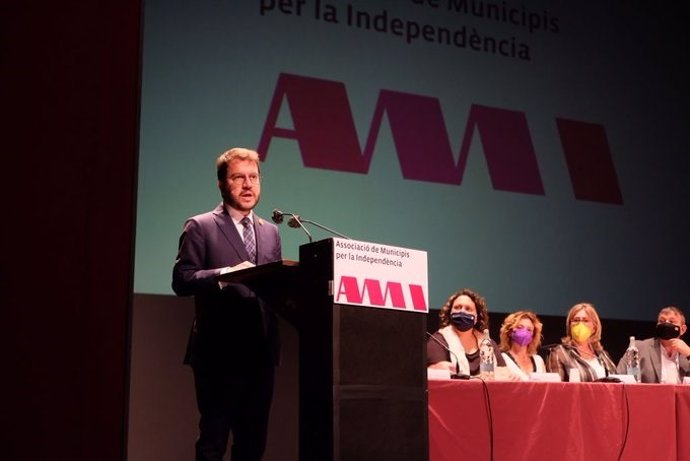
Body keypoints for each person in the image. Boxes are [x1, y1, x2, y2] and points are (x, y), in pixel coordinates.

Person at [172, 147, 282, 461]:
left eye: (253, 177)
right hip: (218, 353)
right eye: (238, 178)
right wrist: (223, 275)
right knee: (213, 443)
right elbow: (182, 279)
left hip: (261, 353)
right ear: (222, 183)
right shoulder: (200, 226)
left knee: (252, 446)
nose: (248, 185)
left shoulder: (271, 232)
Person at [427, 288, 506, 377]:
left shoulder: (488, 343)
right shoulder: (438, 340)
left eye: (468, 308)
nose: (462, 311)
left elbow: (503, 373)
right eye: (457, 307)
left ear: (476, 317)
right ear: (450, 313)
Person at [615, 306, 690, 383]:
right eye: (662, 321)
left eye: (671, 321)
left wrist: (689, 354)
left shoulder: (687, 353)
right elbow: (618, 378)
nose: (666, 324)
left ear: (683, 329)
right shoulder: (638, 348)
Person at [546, 302, 617, 382]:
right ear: (570, 326)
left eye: (585, 320)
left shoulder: (603, 355)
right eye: (576, 320)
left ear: (594, 327)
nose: (580, 324)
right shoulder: (559, 353)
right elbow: (556, 389)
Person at [498, 310, 546, 380]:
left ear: (533, 335)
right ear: (510, 331)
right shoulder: (502, 359)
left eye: (529, 330)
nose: (524, 332)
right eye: (520, 327)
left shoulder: (538, 360)